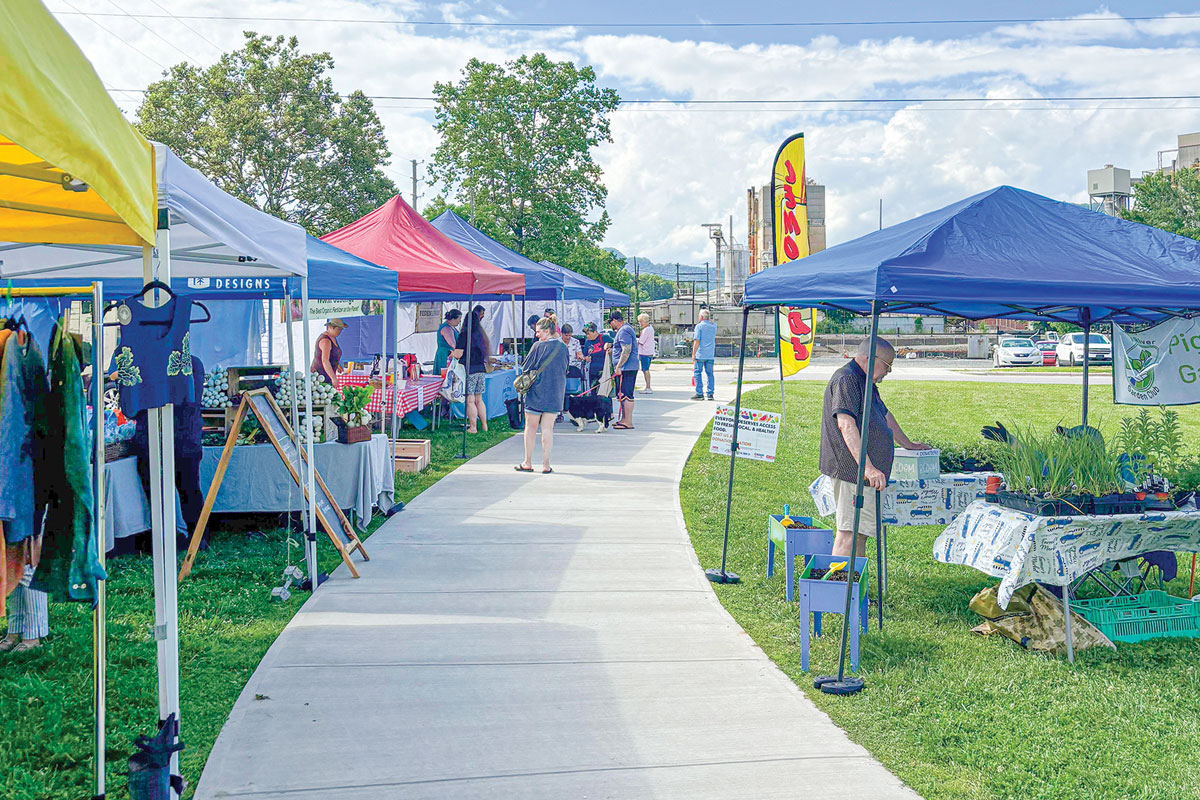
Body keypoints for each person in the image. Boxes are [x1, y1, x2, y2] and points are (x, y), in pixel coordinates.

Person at [820, 337, 929, 558]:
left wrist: (908, 444)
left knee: (859, 534)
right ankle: (842, 581)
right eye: (887, 365)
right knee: (849, 534)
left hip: (861, 474)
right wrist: (867, 468)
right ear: (871, 359)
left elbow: (885, 416)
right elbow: (845, 424)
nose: (889, 371)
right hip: (852, 472)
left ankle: (855, 581)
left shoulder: (865, 381)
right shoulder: (847, 379)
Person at [515, 316, 569, 474]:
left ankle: (527, 462)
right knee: (548, 429)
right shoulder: (563, 347)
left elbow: (526, 367)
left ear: (547, 331)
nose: (536, 334)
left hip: (536, 391)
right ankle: (546, 464)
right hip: (555, 392)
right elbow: (566, 368)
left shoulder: (537, 346)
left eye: (538, 332)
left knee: (530, 427)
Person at [452, 305, 491, 433]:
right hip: (481, 369)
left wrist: (453, 354)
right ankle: (484, 426)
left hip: (469, 370)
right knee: (479, 400)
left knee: (470, 400)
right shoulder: (481, 335)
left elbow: (458, 354)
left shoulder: (464, 335)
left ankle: (473, 427)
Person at [608, 309, 638, 429]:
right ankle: (624, 419)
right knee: (622, 394)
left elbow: (626, 349)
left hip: (626, 368)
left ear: (615, 320)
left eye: (610, 322)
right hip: (625, 367)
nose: (610, 325)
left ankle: (628, 421)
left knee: (626, 394)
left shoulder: (624, 330)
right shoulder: (624, 329)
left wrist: (619, 366)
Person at [311, 318, 347, 386]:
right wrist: (333, 378)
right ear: (330, 327)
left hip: (326, 375)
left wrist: (337, 365)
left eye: (340, 329)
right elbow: (325, 360)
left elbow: (331, 355)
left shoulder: (332, 337)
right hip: (321, 376)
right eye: (338, 329)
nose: (339, 331)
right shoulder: (325, 340)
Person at [691, 309, 716, 401]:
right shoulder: (714, 326)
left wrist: (693, 353)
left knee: (697, 373)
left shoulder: (699, 326)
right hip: (710, 354)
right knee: (710, 374)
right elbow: (712, 322)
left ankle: (699, 393)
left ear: (701, 317)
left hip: (700, 353)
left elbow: (697, 341)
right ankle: (710, 393)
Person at [434, 309, 462, 373]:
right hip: (445, 355)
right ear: (453, 319)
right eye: (459, 319)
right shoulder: (446, 328)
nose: (460, 321)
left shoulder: (452, 327)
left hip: (449, 354)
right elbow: (452, 344)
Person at [582, 322, 608, 388]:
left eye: (588, 334)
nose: (587, 336)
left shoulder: (604, 338)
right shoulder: (587, 342)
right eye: (586, 334)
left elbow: (615, 347)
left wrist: (610, 346)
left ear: (595, 332)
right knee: (593, 390)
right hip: (592, 371)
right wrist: (585, 358)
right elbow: (584, 355)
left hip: (604, 371)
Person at [637, 312, 656, 394]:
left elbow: (641, 341)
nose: (640, 323)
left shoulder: (646, 330)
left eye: (641, 321)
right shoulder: (650, 328)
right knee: (646, 369)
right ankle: (648, 387)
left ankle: (648, 387)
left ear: (645, 321)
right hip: (649, 351)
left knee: (645, 370)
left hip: (644, 352)